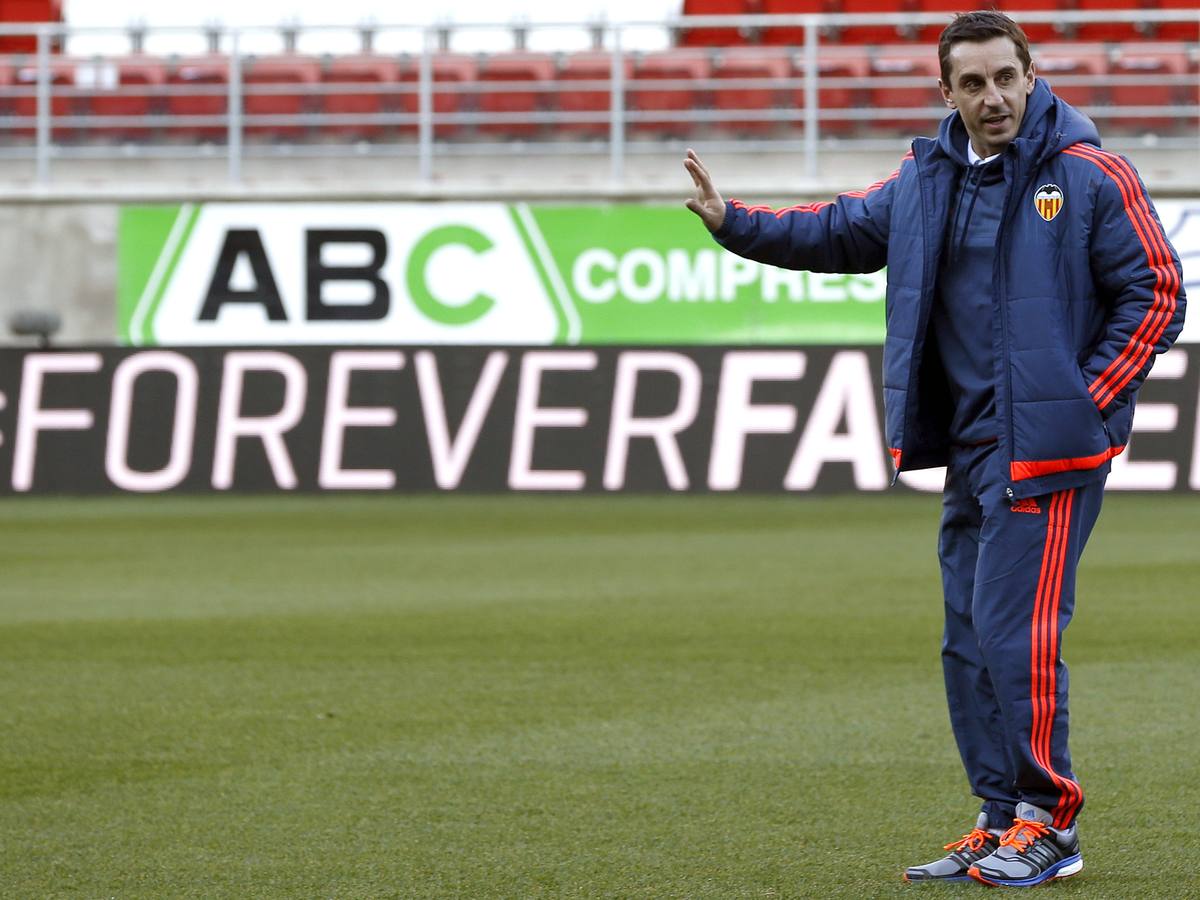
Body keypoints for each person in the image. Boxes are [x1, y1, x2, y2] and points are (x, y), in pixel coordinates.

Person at [685, 10, 1185, 889]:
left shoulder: (1091, 173)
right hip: (970, 449)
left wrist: (1080, 405)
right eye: (973, 83)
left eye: (1005, 77)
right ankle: (999, 820)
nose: (993, 97)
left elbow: (1156, 296)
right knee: (966, 641)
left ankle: (1050, 825)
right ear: (945, 92)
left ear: (1031, 75)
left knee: (1012, 633)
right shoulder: (925, 180)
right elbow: (837, 232)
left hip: (1048, 453)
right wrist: (734, 221)